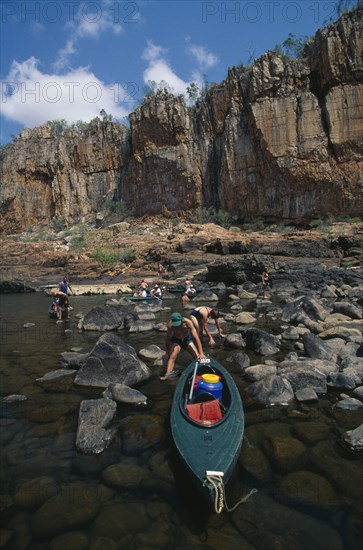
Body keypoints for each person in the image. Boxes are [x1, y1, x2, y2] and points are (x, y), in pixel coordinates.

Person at [160, 312, 206, 381]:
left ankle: (199, 373)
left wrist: (201, 353)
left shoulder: (188, 323)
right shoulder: (170, 325)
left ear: (181, 320)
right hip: (176, 340)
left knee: (197, 357)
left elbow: (196, 338)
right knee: (173, 355)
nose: (177, 326)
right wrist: (167, 352)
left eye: (178, 324)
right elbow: (168, 339)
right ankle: (168, 374)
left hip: (187, 339)